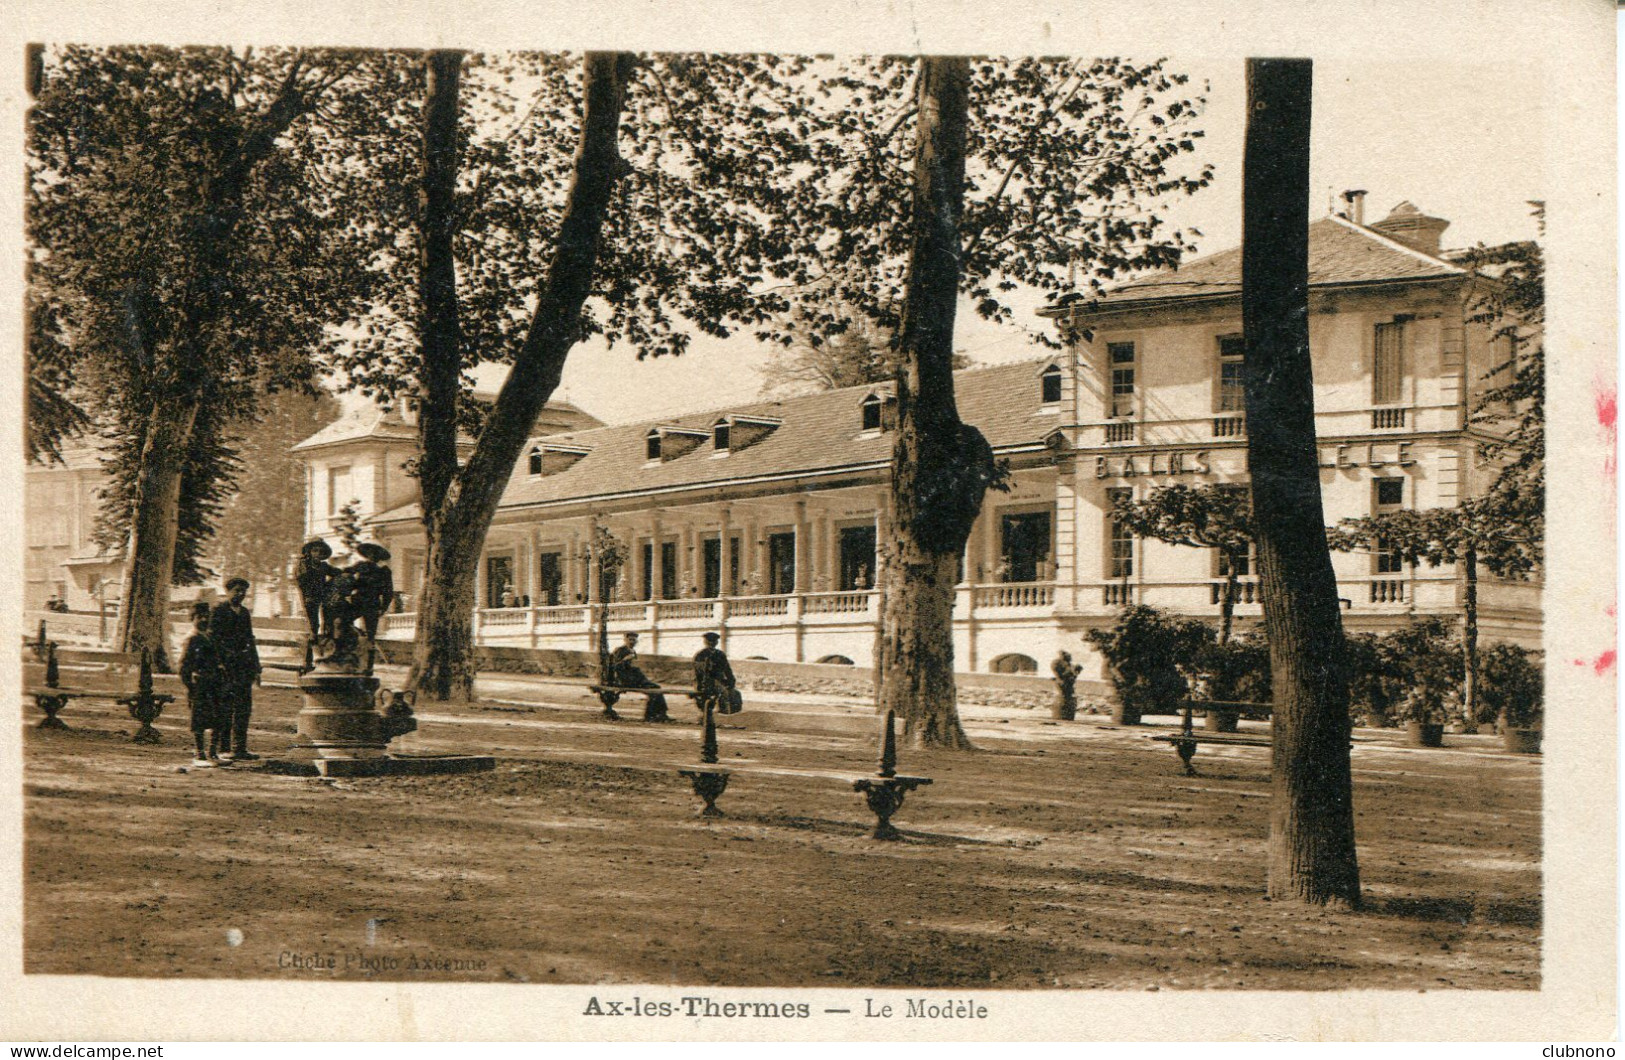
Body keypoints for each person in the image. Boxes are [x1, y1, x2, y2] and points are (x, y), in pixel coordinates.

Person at [210, 577, 262, 761]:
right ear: (227, 591)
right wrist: (219, 662)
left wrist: (256, 666)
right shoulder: (218, 611)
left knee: (243, 707)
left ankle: (239, 747)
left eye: (243, 591)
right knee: (225, 706)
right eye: (237, 590)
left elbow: (249, 639)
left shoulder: (245, 613)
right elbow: (213, 639)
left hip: (243, 667)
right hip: (225, 667)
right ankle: (223, 747)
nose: (240, 594)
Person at [180, 603, 228, 766]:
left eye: (206, 616)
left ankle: (213, 752)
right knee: (199, 719)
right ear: (192, 618)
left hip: (214, 683)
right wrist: (190, 686)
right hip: (200, 684)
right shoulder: (191, 638)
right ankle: (200, 754)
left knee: (218, 717)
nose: (204, 619)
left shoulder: (210, 636)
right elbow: (184, 666)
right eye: (199, 617)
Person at [609, 632, 669, 722]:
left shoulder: (632, 651)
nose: (632, 642)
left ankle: (661, 714)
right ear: (625, 640)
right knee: (654, 689)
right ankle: (650, 716)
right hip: (625, 680)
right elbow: (614, 667)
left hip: (635, 679)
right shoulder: (620, 650)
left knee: (656, 688)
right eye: (630, 639)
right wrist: (625, 660)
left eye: (634, 640)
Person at [350, 543, 396, 641]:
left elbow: (388, 591)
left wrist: (383, 607)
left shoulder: (384, 571)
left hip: (372, 602)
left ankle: (370, 650)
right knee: (345, 620)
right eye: (369, 553)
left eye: (374, 554)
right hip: (358, 600)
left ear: (378, 557)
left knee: (371, 633)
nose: (371, 556)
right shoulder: (360, 566)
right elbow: (346, 575)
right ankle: (357, 633)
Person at [294, 538, 337, 641]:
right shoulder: (303, 564)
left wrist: (329, 584)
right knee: (312, 621)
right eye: (315, 550)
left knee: (329, 612)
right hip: (308, 595)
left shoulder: (323, 566)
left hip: (321, 594)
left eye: (321, 551)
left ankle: (326, 634)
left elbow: (337, 572)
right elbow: (302, 579)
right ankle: (312, 637)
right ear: (309, 551)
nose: (318, 553)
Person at [693, 631, 738, 717]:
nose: (711, 643)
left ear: (716, 642)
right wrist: (699, 684)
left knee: (726, 692)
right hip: (704, 681)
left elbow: (727, 669)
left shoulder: (720, 654)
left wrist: (731, 680)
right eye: (709, 641)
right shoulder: (701, 655)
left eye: (714, 641)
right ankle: (704, 713)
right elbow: (698, 672)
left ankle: (722, 711)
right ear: (705, 642)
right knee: (704, 696)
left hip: (718, 680)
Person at [1052, 650, 1083, 722]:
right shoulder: (1057, 663)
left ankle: (1065, 715)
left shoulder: (1068, 664)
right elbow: (1057, 672)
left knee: (1067, 697)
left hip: (1067, 684)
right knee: (1064, 696)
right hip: (1063, 683)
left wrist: (1075, 672)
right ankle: (1062, 715)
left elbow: (1073, 674)